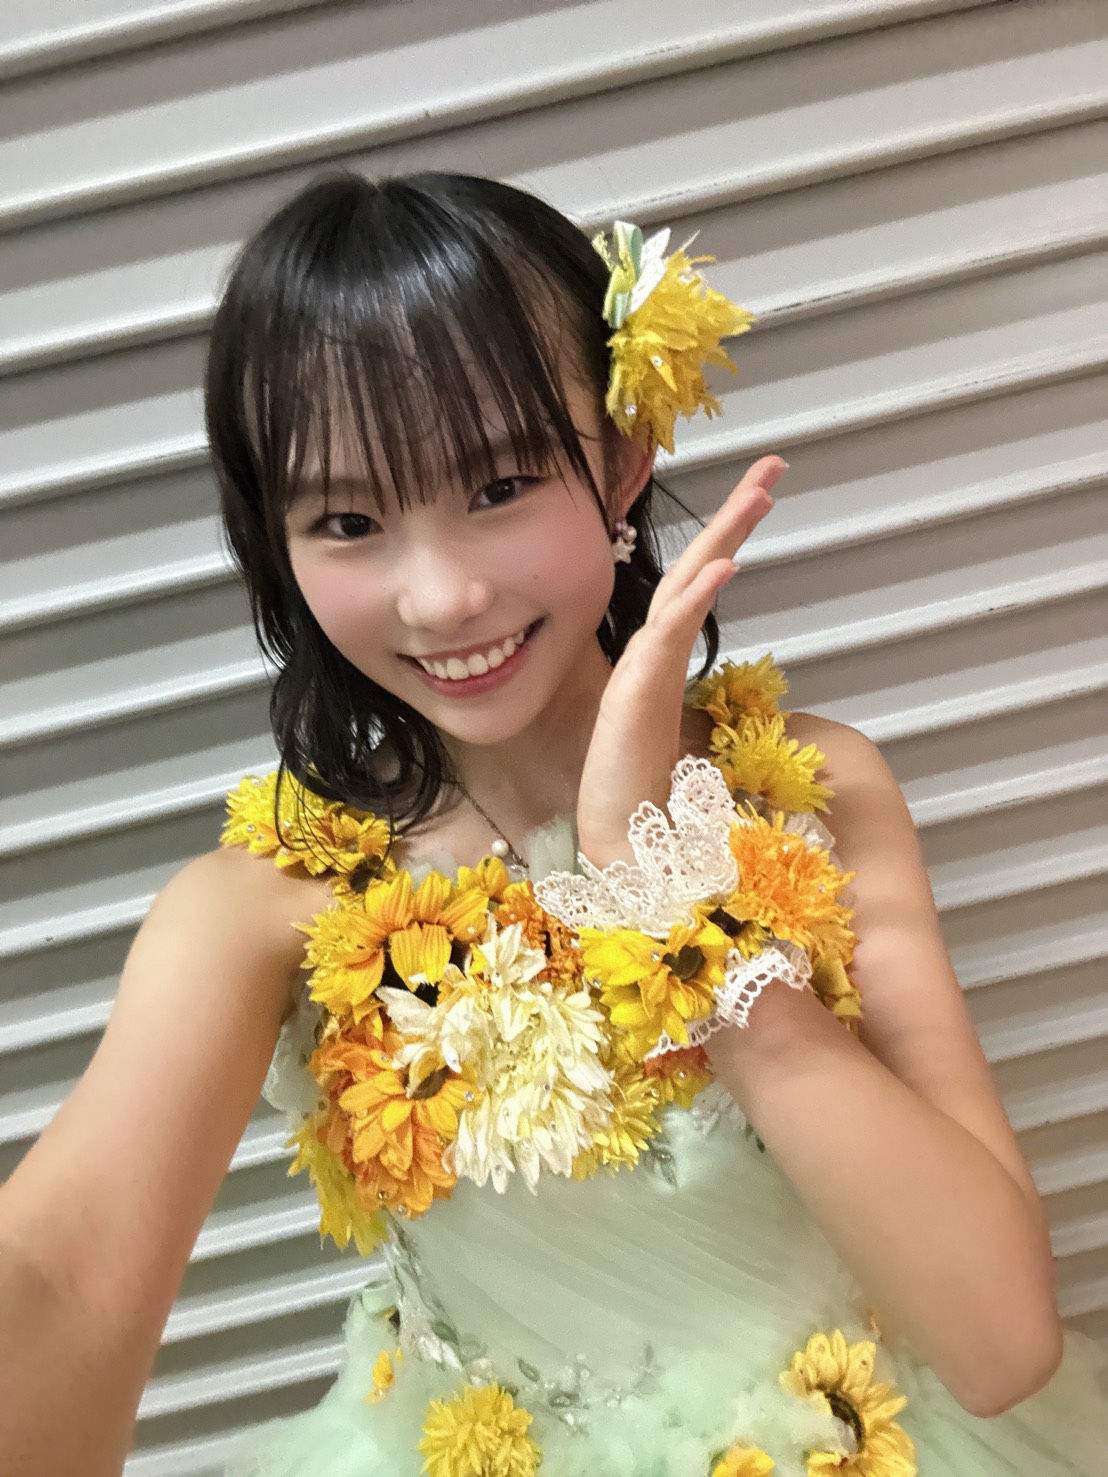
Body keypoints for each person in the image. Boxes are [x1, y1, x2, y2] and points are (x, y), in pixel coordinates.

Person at [0, 171, 1105, 1477]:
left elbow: (999, 1344)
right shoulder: (256, 910)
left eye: (500, 483)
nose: (441, 597)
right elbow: (64, 1282)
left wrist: (676, 907)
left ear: (622, 463)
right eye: (347, 520)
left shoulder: (812, 792)